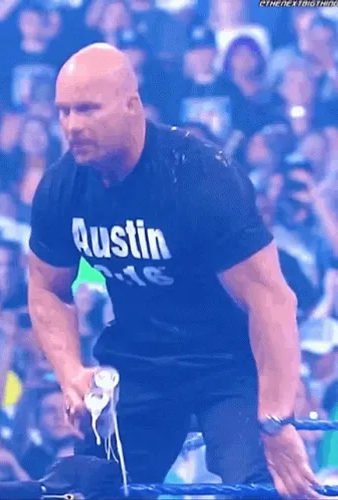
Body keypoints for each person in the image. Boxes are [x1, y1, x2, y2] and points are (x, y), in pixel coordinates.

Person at [27, 43, 323, 499]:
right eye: (63, 111)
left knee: (261, 487)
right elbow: (47, 287)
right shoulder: (63, 186)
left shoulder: (199, 176)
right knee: (88, 487)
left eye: (87, 109)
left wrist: (275, 418)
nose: (72, 125)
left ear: (132, 105)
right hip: (139, 361)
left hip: (227, 362)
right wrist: (70, 373)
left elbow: (271, 299)